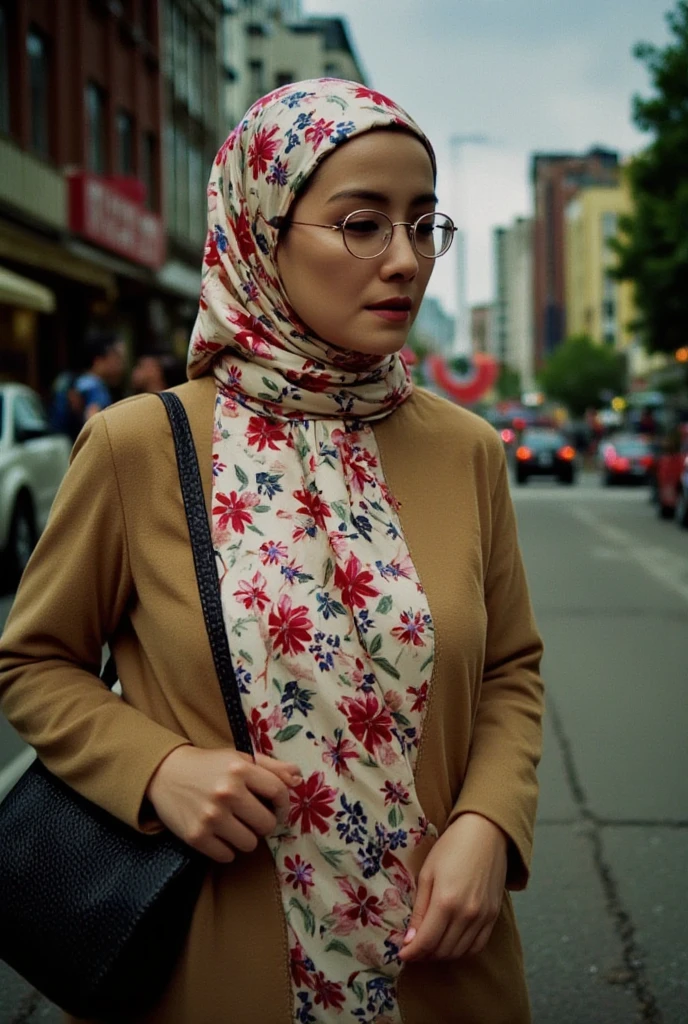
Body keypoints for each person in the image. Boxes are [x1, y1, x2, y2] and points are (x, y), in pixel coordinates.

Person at [0, 79, 544, 1024]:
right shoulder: (140, 444)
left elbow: (509, 669)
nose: (406, 261)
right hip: (218, 959)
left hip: (443, 960)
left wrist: (491, 825)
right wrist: (156, 768)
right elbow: (33, 663)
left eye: (425, 224)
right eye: (363, 224)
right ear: (262, 232)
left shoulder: (467, 450)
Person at [49, 332, 126, 440]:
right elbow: (94, 424)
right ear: (99, 360)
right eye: (117, 358)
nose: (121, 365)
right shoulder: (94, 386)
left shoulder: (71, 381)